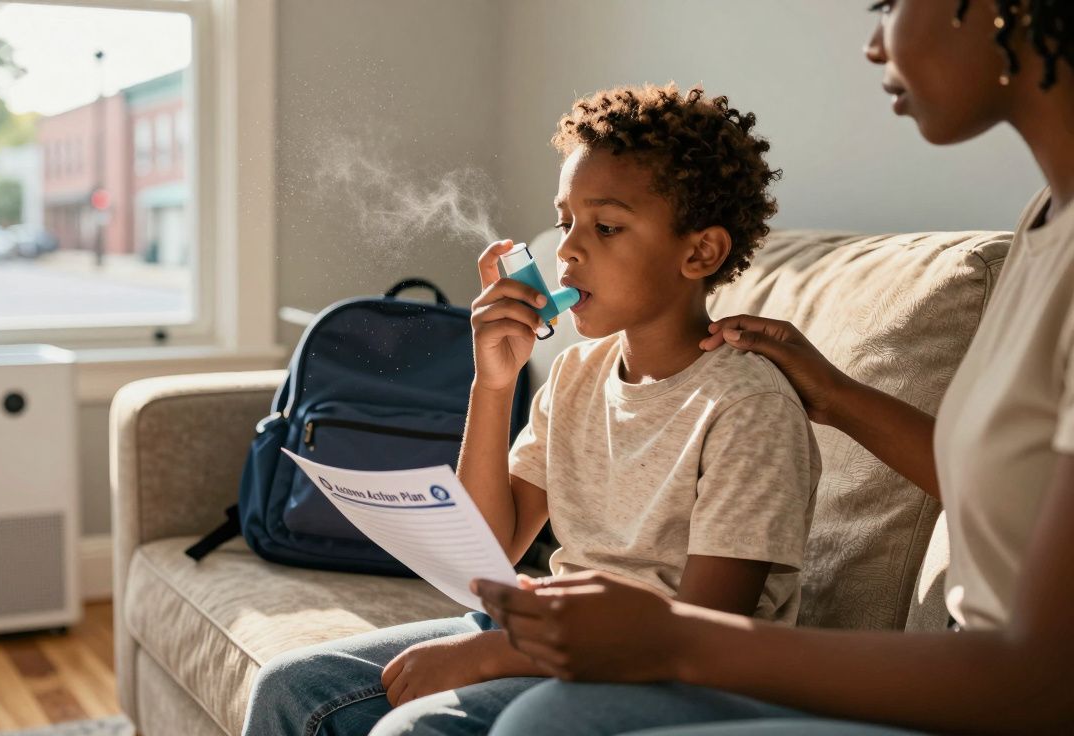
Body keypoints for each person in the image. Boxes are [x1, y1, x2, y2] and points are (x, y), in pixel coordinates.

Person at [473, 1, 1074, 734]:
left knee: (545, 725)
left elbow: (1044, 683)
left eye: (890, 3)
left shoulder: (742, 401)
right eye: (565, 222)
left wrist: (655, 639)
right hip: (966, 670)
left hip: (994, 699)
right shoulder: (1049, 222)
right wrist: (839, 396)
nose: (874, 45)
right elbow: (1007, 493)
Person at [241, 82, 821, 736]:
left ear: (700, 252)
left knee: (415, 730)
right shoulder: (577, 372)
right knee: (292, 687)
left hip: (673, 683)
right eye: (565, 220)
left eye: (605, 226)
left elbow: (703, 635)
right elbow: (484, 558)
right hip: (547, 637)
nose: (569, 250)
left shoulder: (747, 407)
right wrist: (493, 383)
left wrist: (495, 653)